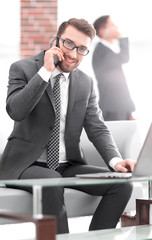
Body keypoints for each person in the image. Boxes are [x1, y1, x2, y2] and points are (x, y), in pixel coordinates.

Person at [0, 18, 136, 234]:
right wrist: (44, 71)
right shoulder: (22, 69)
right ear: (55, 40)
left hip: (67, 164)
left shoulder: (85, 82)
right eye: (69, 44)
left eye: (82, 49)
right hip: (26, 164)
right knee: (52, 181)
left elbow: (97, 127)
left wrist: (116, 161)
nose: (73, 54)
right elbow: (16, 111)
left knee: (122, 185)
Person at [92, 15, 135, 121]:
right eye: (112, 25)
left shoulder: (106, 51)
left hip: (119, 109)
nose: (116, 27)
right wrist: (121, 37)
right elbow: (124, 57)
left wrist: (128, 112)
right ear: (102, 32)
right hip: (113, 110)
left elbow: (119, 84)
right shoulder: (101, 52)